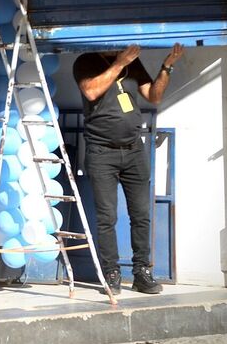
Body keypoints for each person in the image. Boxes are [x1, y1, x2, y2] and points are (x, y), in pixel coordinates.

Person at [73, 43, 184, 295]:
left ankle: (142, 272)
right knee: (107, 217)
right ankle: (111, 273)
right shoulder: (86, 61)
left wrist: (167, 67)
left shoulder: (132, 63)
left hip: (134, 150)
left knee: (141, 215)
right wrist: (120, 63)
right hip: (102, 152)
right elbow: (91, 91)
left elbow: (153, 96)